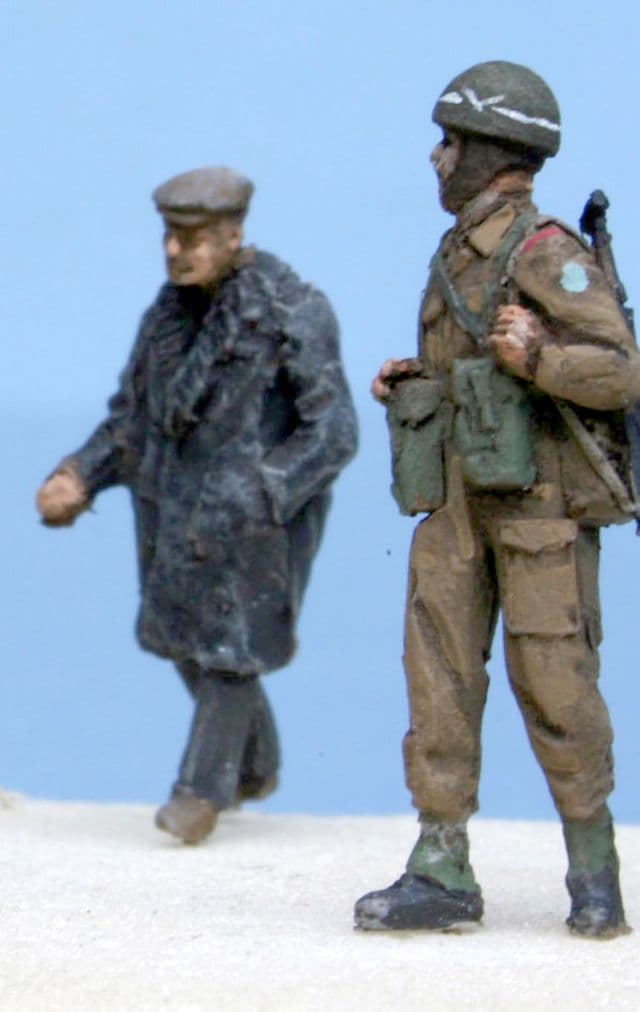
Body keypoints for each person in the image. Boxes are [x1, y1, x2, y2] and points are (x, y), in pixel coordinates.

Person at [354, 62, 640, 937]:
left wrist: (540, 359)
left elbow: (621, 370)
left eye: (451, 141)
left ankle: (594, 870)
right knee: (438, 678)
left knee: (557, 683)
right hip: (456, 505)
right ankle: (441, 863)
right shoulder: (458, 251)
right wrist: (419, 380)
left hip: (537, 511)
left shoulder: (546, 251)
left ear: (492, 150)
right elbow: (472, 371)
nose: (438, 157)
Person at [36, 166, 358, 845]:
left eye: (194, 237)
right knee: (185, 642)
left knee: (230, 651)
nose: (176, 251)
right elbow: (131, 419)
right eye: (169, 236)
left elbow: (333, 431)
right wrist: (80, 474)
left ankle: (200, 791)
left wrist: (262, 490)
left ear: (234, 234)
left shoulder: (291, 311)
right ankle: (254, 764)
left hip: (249, 523)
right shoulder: (166, 318)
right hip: (171, 511)